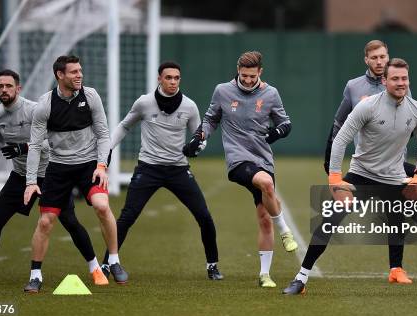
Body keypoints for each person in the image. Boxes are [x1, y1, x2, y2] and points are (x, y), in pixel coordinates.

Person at [283, 58, 417, 296]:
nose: (400, 83)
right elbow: (341, 139)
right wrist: (335, 179)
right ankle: (300, 280)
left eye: (404, 78)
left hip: (396, 180)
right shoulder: (367, 106)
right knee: (328, 223)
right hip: (360, 176)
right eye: (395, 78)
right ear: (384, 81)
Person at [322, 40, 417, 284]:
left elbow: (410, 122)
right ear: (366, 60)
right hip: (366, 167)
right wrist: (330, 160)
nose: (379, 61)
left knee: (406, 201)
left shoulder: (399, 83)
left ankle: (400, 266)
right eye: (375, 58)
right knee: (339, 215)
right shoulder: (353, 87)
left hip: (395, 164)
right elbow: (339, 123)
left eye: (383, 57)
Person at [0, 70, 96, 287]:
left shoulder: (34, 110)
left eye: (8, 86)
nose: (4, 90)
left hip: (49, 175)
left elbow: (50, 141)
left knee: (70, 221)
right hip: (20, 176)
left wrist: (23, 147)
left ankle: (95, 268)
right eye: (0, 86)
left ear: (18, 88)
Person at [100, 61, 222, 280]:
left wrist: (196, 147)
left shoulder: (189, 106)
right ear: (159, 79)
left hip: (178, 169)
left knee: (204, 216)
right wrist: (108, 148)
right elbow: (124, 125)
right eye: (168, 77)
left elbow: (200, 137)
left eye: (176, 78)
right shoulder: (144, 103)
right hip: (148, 168)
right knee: (127, 216)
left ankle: (212, 266)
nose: (173, 82)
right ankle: (107, 264)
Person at [185, 51, 297, 288]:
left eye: (251, 76)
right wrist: (200, 136)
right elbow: (211, 118)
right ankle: (286, 231)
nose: (247, 80)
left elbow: (285, 123)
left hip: (263, 159)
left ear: (260, 73)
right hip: (238, 161)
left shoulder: (271, 94)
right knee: (266, 183)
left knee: (264, 218)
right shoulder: (223, 91)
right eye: (243, 75)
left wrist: (276, 133)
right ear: (238, 70)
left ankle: (265, 274)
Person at [22, 55, 127, 292]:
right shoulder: (45, 104)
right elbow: (36, 146)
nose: (79, 75)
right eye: (73, 72)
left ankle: (114, 260)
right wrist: (30, 182)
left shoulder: (91, 97)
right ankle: (35, 275)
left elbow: (103, 134)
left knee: (102, 205)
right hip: (58, 168)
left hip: (88, 164)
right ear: (60, 75)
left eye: (80, 71)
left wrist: (101, 166)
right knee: (46, 221)